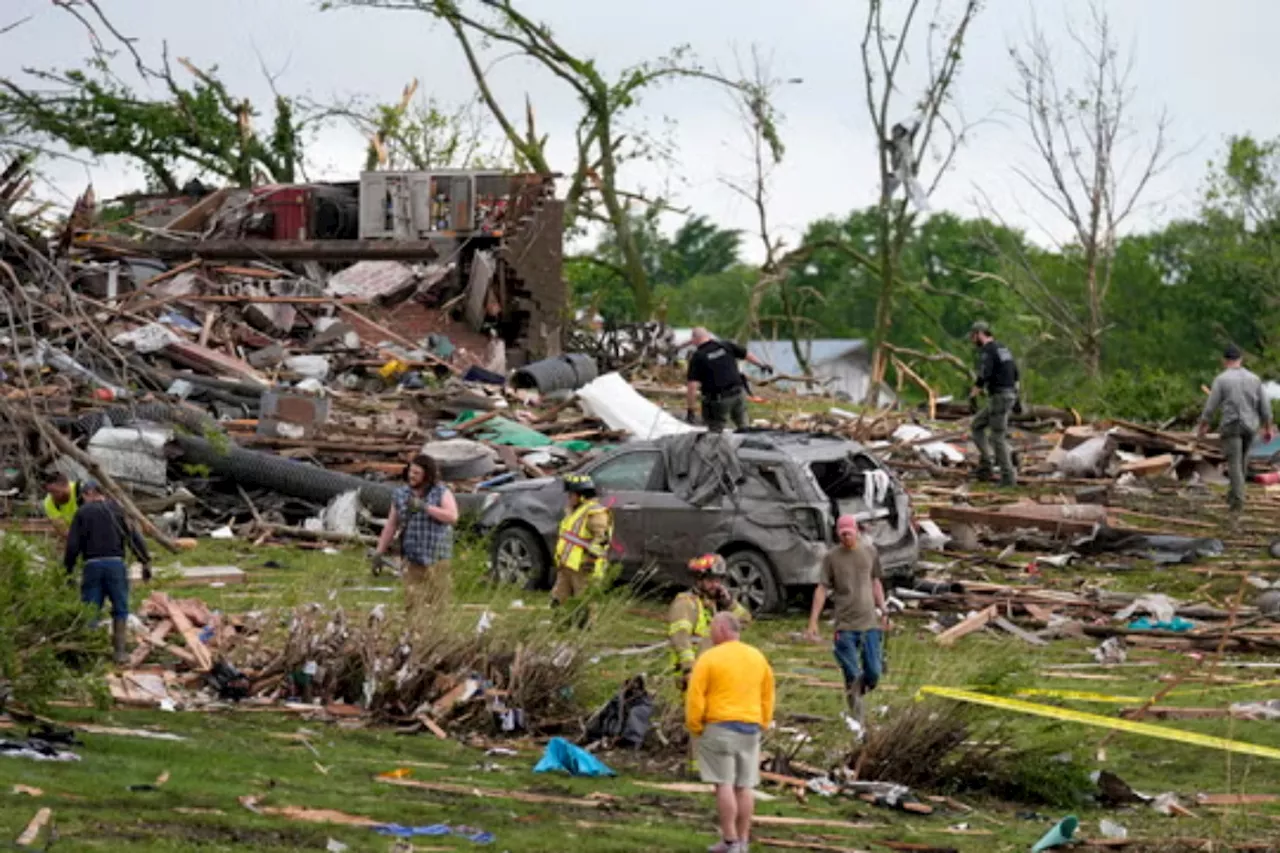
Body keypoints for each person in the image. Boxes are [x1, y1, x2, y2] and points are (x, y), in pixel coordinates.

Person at [686, 612, 774, 853]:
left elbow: (696, 696)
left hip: (720, 726)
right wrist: (763, 721)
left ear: (723, 630)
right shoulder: (757, 657)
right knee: (745, 786)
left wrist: (695, 725)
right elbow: (768, 694)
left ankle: (730, 840)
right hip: (750, 727)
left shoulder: (709, 658)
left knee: (723, 784)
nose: (710, 634)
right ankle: (743, 841)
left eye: (713, 629)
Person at [803, 514, 888, 721]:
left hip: (869, 623)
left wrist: (884, 610)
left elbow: (876, 582)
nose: (846, 538)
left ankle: (857, 692)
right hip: (845, 625)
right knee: (852, 673)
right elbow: (822, 589)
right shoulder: (832, 558)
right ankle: (857, 717)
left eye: (849, 534)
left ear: (856, 531)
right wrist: (813, 621)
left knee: (874, 673)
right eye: (842, 535)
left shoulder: (869, 552)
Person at [63, 480, 151, 665]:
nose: (83, 500)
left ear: (89, 493)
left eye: (83, 496)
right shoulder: (118, 509)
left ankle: (88, 654)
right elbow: (133, 537)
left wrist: (68, 570)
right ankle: (119, 653)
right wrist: (145, 561)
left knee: (91, 609)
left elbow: (72, 546)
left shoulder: (82, 513)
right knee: (120, 608)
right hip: (115, 565)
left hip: (92, 566)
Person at [1197, 344, 1275, 516]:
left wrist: (1203, 426)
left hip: (1231, 426)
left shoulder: (1221, 380)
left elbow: (1210, 407)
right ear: (1240, 360)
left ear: (1225, 361)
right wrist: (1268, 428)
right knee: (1242, 462)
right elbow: (1265, 407)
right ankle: (1234, 495)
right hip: (1250, 426)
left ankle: (1237, 504)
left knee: (1234, 464)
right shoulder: (1254, 379)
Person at [373, 454, 459, 606]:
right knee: (413, 603)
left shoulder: (441, 492)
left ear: (427, 475)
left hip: (437, 558)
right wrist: (379, 552)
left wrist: (424, 507)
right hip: (411, 558)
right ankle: (415, 629)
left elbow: (452, 516)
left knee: (439, 603)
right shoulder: (400, 495)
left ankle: (437, 629)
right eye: (410, 472)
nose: (411, 476)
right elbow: (391, 525)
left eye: (416, 473)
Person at [668, 554, 752, 691]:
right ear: (699, 579)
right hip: (693, 676)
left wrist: (729, 603)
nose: (716, 585)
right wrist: (689, 669)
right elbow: (680, 638)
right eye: (711, 580)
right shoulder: (685, 603)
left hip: (712, 672)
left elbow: (745, 620)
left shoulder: (713, 604)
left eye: (719, 580)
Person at [686, 328, 774, 432]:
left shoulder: (698, 357)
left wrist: (691, 409)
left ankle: (717, 443)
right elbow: (746, 354)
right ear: (708, 336)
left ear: (694, 339)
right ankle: (746, 442)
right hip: (738, 394)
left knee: (715, 432)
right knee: (744, 427)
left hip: (719, 400)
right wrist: (761, 365)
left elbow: (692, 386)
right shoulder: (725, 345)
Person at [551, 473, 614, 611]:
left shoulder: (595, 512)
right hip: (567, 565)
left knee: (584, 602)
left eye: (571, 495)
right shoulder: (574, 511)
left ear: (582, 496)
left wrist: (590, 561)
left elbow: (602, 539)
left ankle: (585, 628)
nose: (568, 498)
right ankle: (559, 625)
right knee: (558, 598)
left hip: (583, 567)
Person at [968, 320, 1020, 486]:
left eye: (973, 336)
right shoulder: (1003, 348)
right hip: (1009, 395)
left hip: (999, 397)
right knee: (977, 426)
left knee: (997, 436)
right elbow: (1016, 373)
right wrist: (1016, 396)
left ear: (980, 334)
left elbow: (984, 374)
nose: (972, 340)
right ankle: (987, 463)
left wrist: (973, 394)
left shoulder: (988, 351)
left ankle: (1008, 477)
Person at [42, 471, 81, 539]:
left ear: (66, 485)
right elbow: (63, 530)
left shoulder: (81, 491)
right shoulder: (49, 502)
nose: (53, 496)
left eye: (56, 492)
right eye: (50, 492)